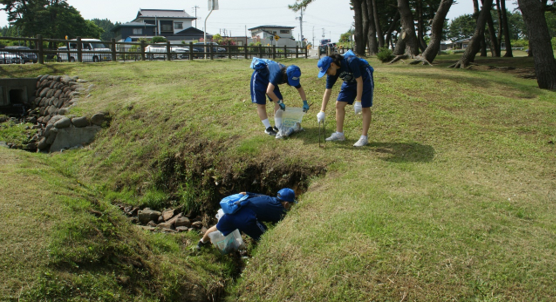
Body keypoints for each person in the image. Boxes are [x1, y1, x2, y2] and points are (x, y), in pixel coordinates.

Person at [197, 188, 297, 249]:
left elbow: (243, 193)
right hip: (246, 220)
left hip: (233, 212)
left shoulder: (264, 197)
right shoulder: (279, 209)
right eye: (292, 204)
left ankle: (200, 243)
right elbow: (281, 220)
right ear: (286, 204)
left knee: (216, 228)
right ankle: (264, 253)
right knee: (266, 236)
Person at [316, 50, 375, 147]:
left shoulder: (351, 61)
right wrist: (322, 111)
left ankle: (364, 137)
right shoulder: (332, 72)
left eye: (327, 71)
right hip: (349, 80)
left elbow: (359, 81)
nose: (328, 74)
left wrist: (358, 101)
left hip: (364, 77)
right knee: (339, 105)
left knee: (365, 107)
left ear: (332, 65)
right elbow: (328, 90)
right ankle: (339, 134)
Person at [250, 58, 310, 136]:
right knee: (261, 104)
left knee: (279, 99)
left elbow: (300, 89)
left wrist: (305, 102)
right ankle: (268, 129)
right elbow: (269, 91)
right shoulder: (278, 73)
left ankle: (277, 126)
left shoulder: (293, 74)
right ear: (286, 76)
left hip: (270, 80)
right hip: (259, 78)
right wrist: (279, 102)